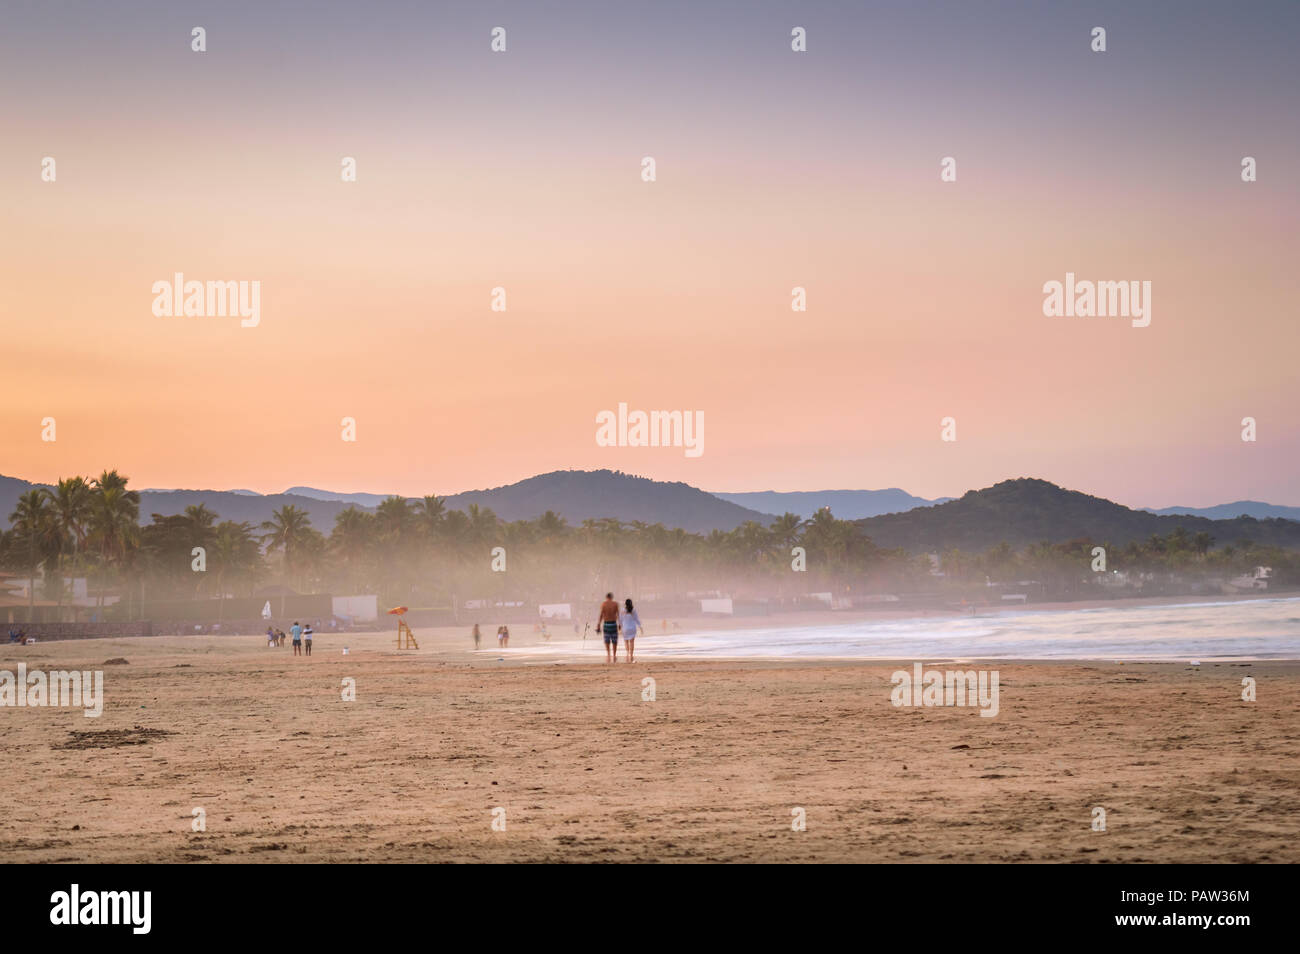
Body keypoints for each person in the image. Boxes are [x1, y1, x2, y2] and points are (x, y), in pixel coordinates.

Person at [598, 592, 620, 663]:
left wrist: (598, 624)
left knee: (607, 641)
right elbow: (618, 615)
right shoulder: (615, 604)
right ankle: (614, 655)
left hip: (606, 624)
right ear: (612, 597)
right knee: (614, 641)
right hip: (613, 623)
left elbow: (601, 614)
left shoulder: (603, 604)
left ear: (606, 597)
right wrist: (620, 624)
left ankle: (608, 655)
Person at [620, 598, 643, 663]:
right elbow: (637, 619)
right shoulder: (633, 610)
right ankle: (631, 655)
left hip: (625, 628)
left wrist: (619, 627)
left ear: (625, 604)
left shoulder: (622, 610)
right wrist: (640, 627)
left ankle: (627, 653)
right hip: (632, 628)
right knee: (632, 642)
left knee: (626, 642)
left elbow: (620, 619)